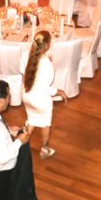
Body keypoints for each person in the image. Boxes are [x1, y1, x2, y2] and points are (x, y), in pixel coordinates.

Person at [21, 31, 68, 160]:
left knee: (32, 119)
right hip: (40, 100)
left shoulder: (28, 55)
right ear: (47, 46)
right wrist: (59, 91)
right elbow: (45, 87)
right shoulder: (47, 64)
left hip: (26, 95)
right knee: (45, 124)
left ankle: (20, 144)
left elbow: (24, 74)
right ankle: (45, 149)